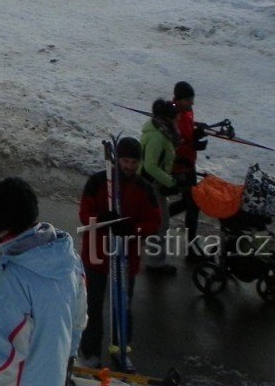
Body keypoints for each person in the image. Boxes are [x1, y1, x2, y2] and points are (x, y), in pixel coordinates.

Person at [0, 177, 86, 386]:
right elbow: (77, 322)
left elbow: (3, 360)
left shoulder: (13, 278)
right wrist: (65, 364)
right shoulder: (69, 260)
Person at [78, 137, 162, 371]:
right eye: (125, 161)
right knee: (93, 306)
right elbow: (85, 214)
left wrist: (133, 230)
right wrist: (102, 222)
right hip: (97, 255)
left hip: (126, 258)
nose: (129, 166)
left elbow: (153, 220)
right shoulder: (98, 182)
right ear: (118, 160)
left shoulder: (144, 188)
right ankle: (90, 350)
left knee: (122, 308)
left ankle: (121, 349)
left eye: (134, 162)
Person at [138, 99, 181, 275]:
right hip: (151, 185)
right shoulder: (157, 136)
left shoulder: (162, 131)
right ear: (166, 118)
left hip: (154, 183)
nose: (177, 120)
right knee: (160, 223)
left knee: (156, 222)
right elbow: (150, 166)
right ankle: (156, 263)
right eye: (175, 117)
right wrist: (170, 181)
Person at [170, 81, 201, 254]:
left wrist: (196, 135)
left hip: (189, 165)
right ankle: (192, 247)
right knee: (193, 204)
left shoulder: (186, 112)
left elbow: (187, 135)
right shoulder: (174, 116)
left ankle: (159, 218)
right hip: (181, 168)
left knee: (190, 203)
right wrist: (193, 144)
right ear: (179, 100)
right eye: (189, 100)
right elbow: (174, 143)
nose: (192, 103)